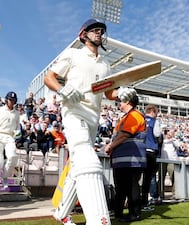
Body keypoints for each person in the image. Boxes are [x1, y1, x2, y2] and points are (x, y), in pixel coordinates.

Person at [44, 18, 136, 225]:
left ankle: (62, 213)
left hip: (93, 117)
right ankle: (99, 221)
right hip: (74, 112)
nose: (98, 33)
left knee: (78, 164)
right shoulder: (73, 54)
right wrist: (63, 89)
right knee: (88, 160)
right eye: (94, 30)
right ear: (83, 34)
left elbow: (108, 92)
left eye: (101, 31)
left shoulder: (104, 63)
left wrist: (121, 93)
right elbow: (49, 78)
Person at [104, 93, 147, 222]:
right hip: (122, 160)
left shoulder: (135, 115)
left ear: (128, 102)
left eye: (121, 101)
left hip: (131, 160)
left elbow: (125, 135)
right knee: (121, 188)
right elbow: (120, 135)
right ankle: (118, 213)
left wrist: (111, 146)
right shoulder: (125, 117)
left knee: (131, 187)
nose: (119, 103)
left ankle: (135, 214)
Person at [0, 91, 21, 194]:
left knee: (13, 157)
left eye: (13, 100)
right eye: (10, 100)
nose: (12, 102)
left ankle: (5, 177)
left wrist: (17, 134)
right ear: (6, 100)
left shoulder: (16, 113)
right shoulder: (0, 110)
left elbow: (17, 127)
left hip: (9, 137)